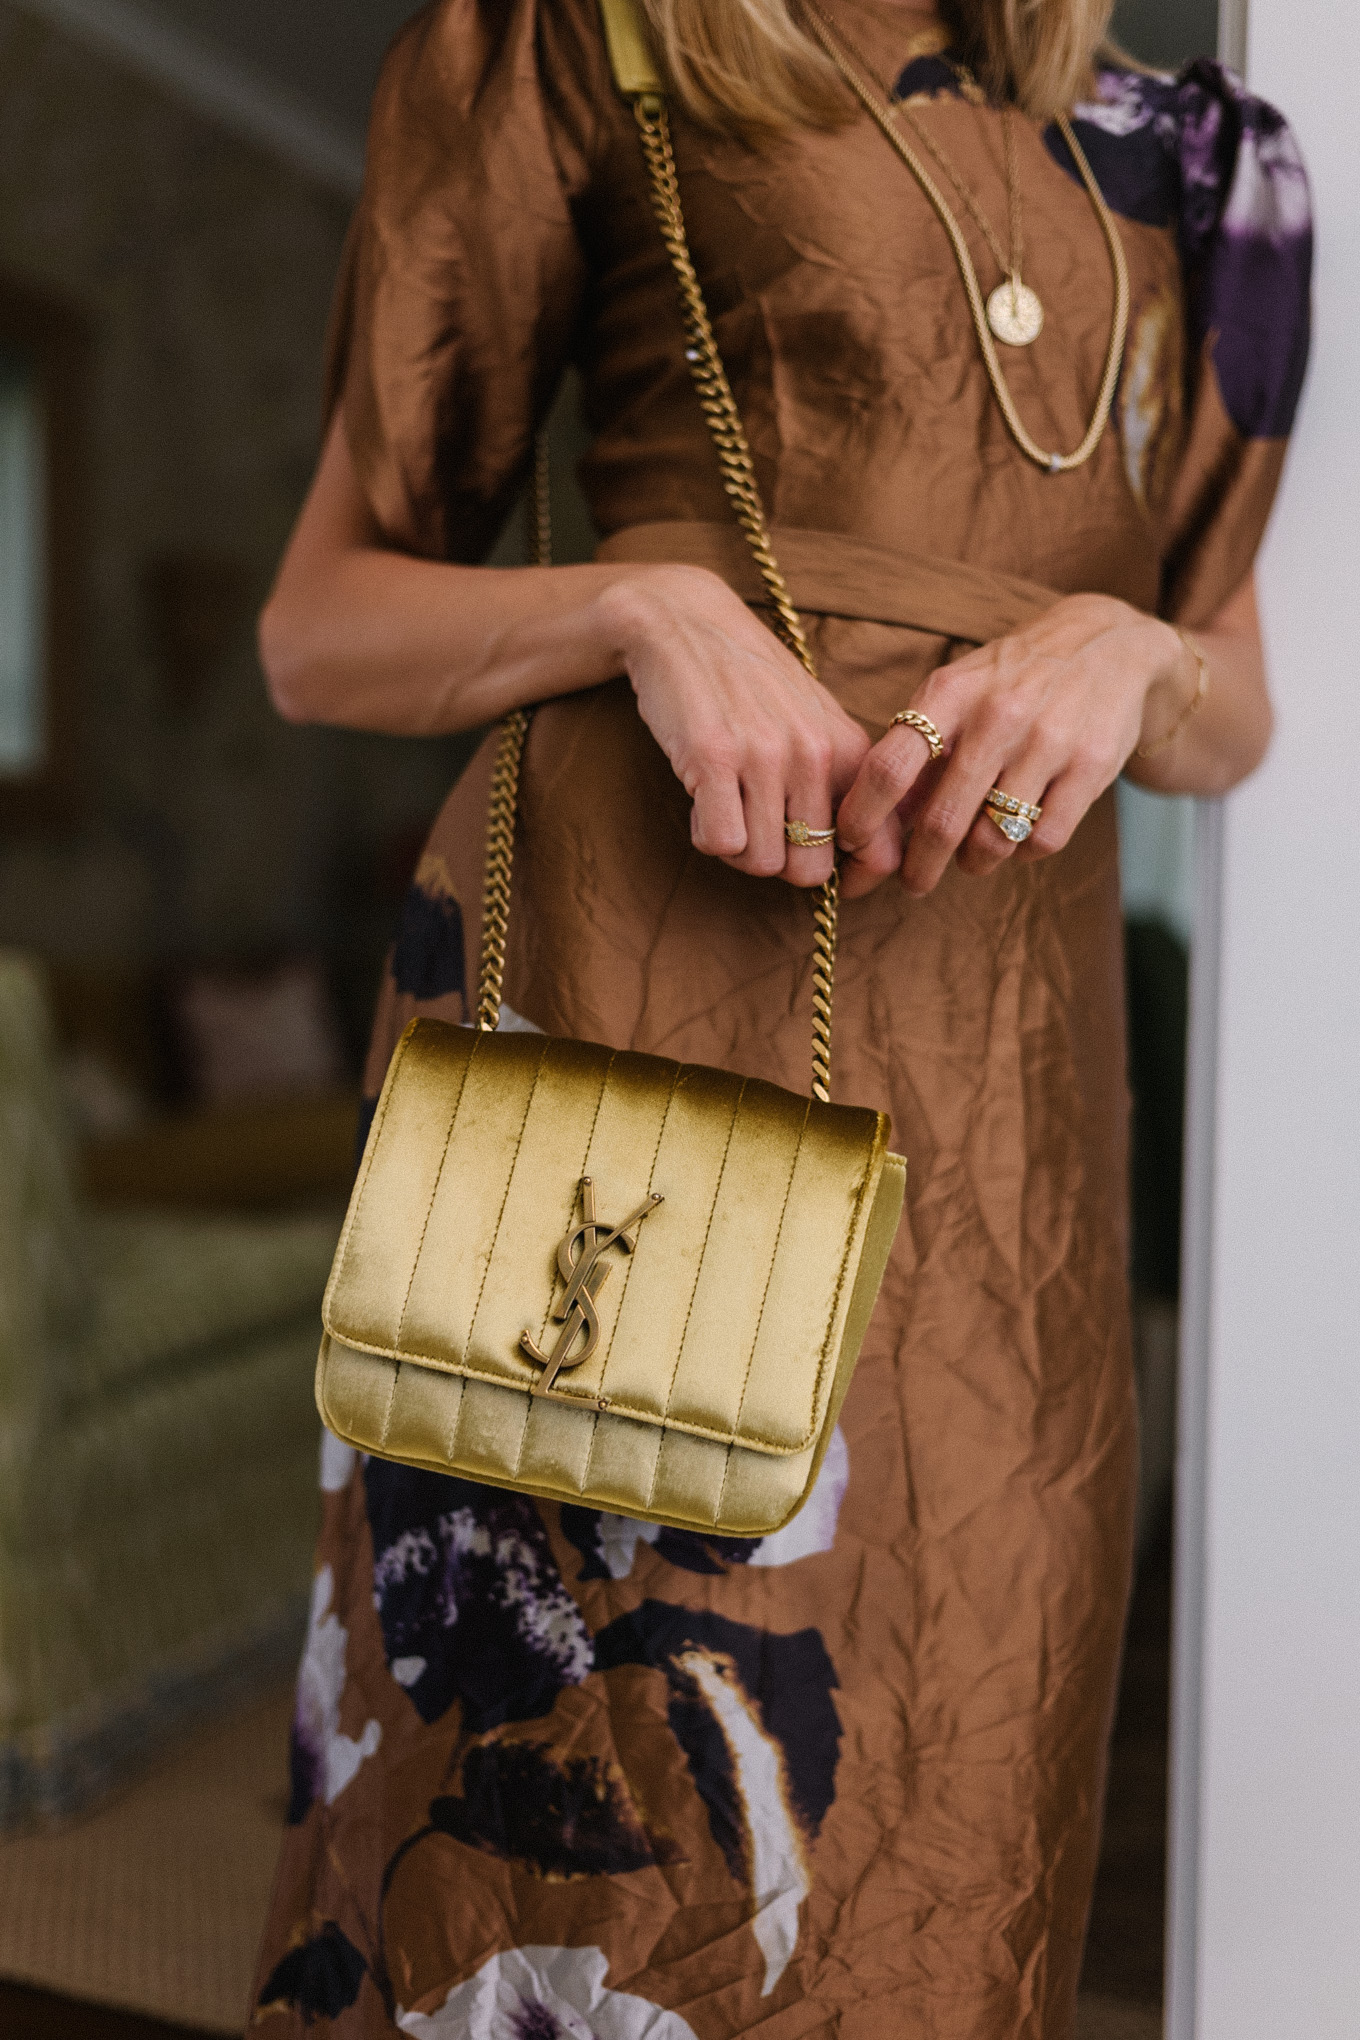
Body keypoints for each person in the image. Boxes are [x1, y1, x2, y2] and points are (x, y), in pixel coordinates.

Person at [249, 1, 1310, 2033]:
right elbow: (321, 626)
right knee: (565, 1810)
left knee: (951, 1790)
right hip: (616, 1006)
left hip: (1000, 1094)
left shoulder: (1208, 163)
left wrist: (1122, 654)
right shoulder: (569, 41)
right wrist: (641, 607)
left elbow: (1230, 710)